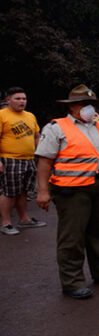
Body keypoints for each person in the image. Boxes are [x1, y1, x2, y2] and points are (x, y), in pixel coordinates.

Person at [35, 84, 99, 299]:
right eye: (85, 104)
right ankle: (72, 281)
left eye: (92, 105)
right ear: (72, 107)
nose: (90, 108)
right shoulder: (56, 128)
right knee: (72, 237)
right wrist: (42, 191)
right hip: (72, 191)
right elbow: (44, 161)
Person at [0, 87, 46, 235]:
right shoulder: (2, 115)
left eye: (24, 99)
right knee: (9, 192)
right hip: (9, 159)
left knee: (24, 191)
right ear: (8, 100)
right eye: (17, 98)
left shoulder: (30, 116)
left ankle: (24, 219)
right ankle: (6, 223)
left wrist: (41, 152)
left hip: (29, 159)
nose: (22, 101)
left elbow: (37, 136)